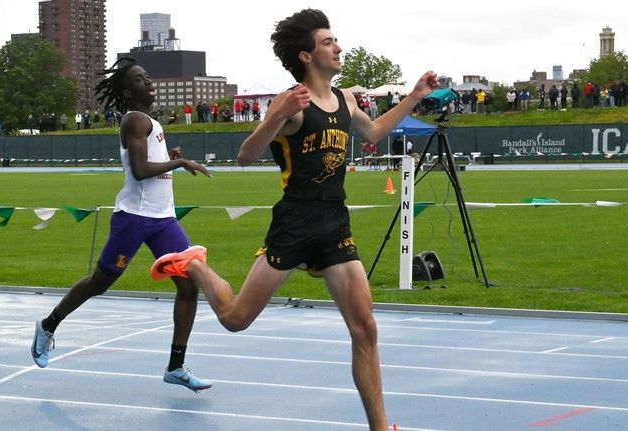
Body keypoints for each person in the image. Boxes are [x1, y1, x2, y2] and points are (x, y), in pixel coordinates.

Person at [149, 9, 438, 430]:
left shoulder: (346, 100)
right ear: (306, 56)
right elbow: (245, 157)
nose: (338, 48)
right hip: (295, 225)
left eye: (336, 40)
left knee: (366, 329)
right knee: (235, 319)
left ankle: (380, 427)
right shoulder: (294, 104)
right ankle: (193, 264)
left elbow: (373, 133)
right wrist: (273, 115)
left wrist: (414, 96)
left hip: (335, 223)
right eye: (328, 42)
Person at [31, 56, 213, 393]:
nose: (150, 82)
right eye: (142, 79)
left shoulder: (150, 122)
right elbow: (140, 171)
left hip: (163, 220)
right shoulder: (134, 120)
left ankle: (176, 366)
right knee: (100, 282)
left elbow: (149, 163)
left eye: (148, 77)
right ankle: (48, 325)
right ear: (129, 91)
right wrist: (181, 160)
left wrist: (170, 156)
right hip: (134, 219)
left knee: (189, 285)